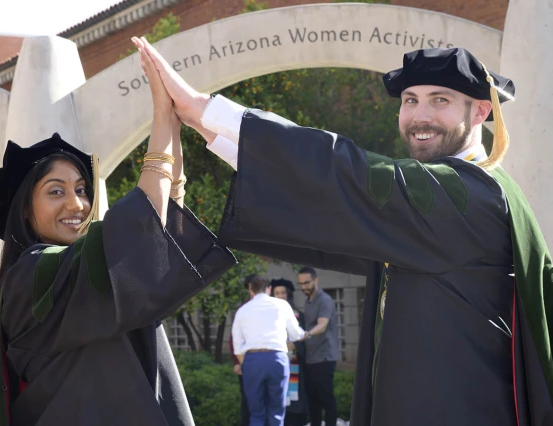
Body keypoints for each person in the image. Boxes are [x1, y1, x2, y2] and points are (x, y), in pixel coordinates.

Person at [138, 39, 553, 426]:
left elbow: (346, 171)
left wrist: (204, 109)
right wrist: (213, 133)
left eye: (440, 101)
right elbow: (324, 209)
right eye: (410, 100)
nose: (420, 116)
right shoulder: (441, 201)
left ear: (480, 111)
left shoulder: (469, 194)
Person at [0, 36, 236, 426]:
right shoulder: (30, 278)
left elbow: (157, 236)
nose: (77, 204)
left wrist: (171, 122)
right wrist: (159, 111)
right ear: (25, 210)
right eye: (56, 192)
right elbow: (134, 238)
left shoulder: (82, 273)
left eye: (82, 190)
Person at [232, 275, 305, 426]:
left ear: (251, 290)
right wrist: (307, 334)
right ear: (269, 289)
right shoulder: (282, 305)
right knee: (277, 411)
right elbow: (296, 334)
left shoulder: (242, 310)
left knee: (256, 412)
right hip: (277, 358)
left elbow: (236, 344)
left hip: (252, 360)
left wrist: (245, 364)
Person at [296, 268, 338, 426]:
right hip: (310, 358)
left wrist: (306, 334)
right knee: (313, 401)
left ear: (316, 280)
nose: (303, 287)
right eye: (300, 284)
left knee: (327, 400)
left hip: (324, 357)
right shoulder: (309, 301)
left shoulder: (324, 300)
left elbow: (322, 325)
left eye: (306, 282)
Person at [270, 278, 308, 426]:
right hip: (276, 362)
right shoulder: (268, 315)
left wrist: (295, 345)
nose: (280, 296)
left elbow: (302, 337)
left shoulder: (297, 314)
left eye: (283, 293)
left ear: (288, 295)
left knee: (295, 403)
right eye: (277, 293)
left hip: (294, 364)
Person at [229, 275, 255, 426]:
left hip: (265, 363)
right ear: (249, 289)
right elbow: (234, 338)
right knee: (248, 402)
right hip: (245, 363)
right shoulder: (243, 309)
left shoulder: (269, 308)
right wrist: (238, 362)